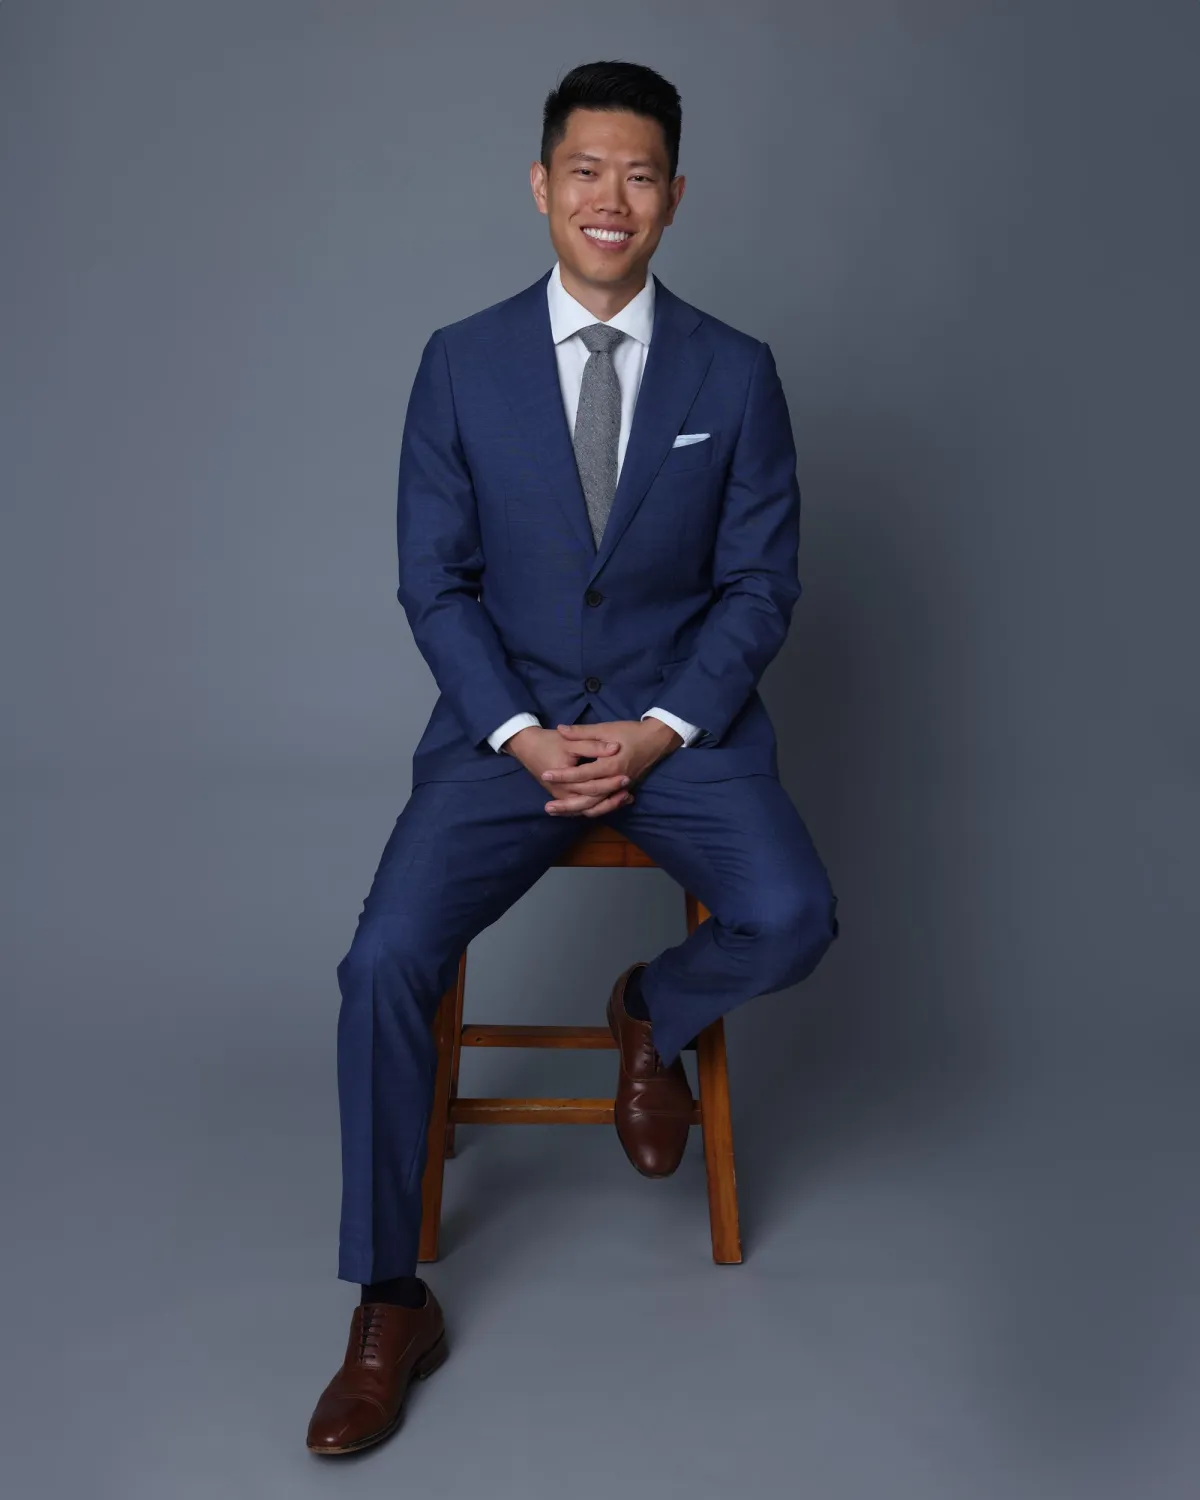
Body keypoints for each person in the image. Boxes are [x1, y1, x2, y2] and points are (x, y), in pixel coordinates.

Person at [306, 58, 840, 1456]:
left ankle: (649, 1014)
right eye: (587, 171)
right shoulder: (459, 362)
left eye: (642, 174)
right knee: (379, 969)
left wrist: (662, 729)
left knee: (794, 917)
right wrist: (525, 732)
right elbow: (436, 583)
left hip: (682, 728)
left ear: (675, 199)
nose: (614, 198)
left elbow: (760, 587)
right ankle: (385, 1301)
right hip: (506, 734)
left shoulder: (737, 370)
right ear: (542, 185)